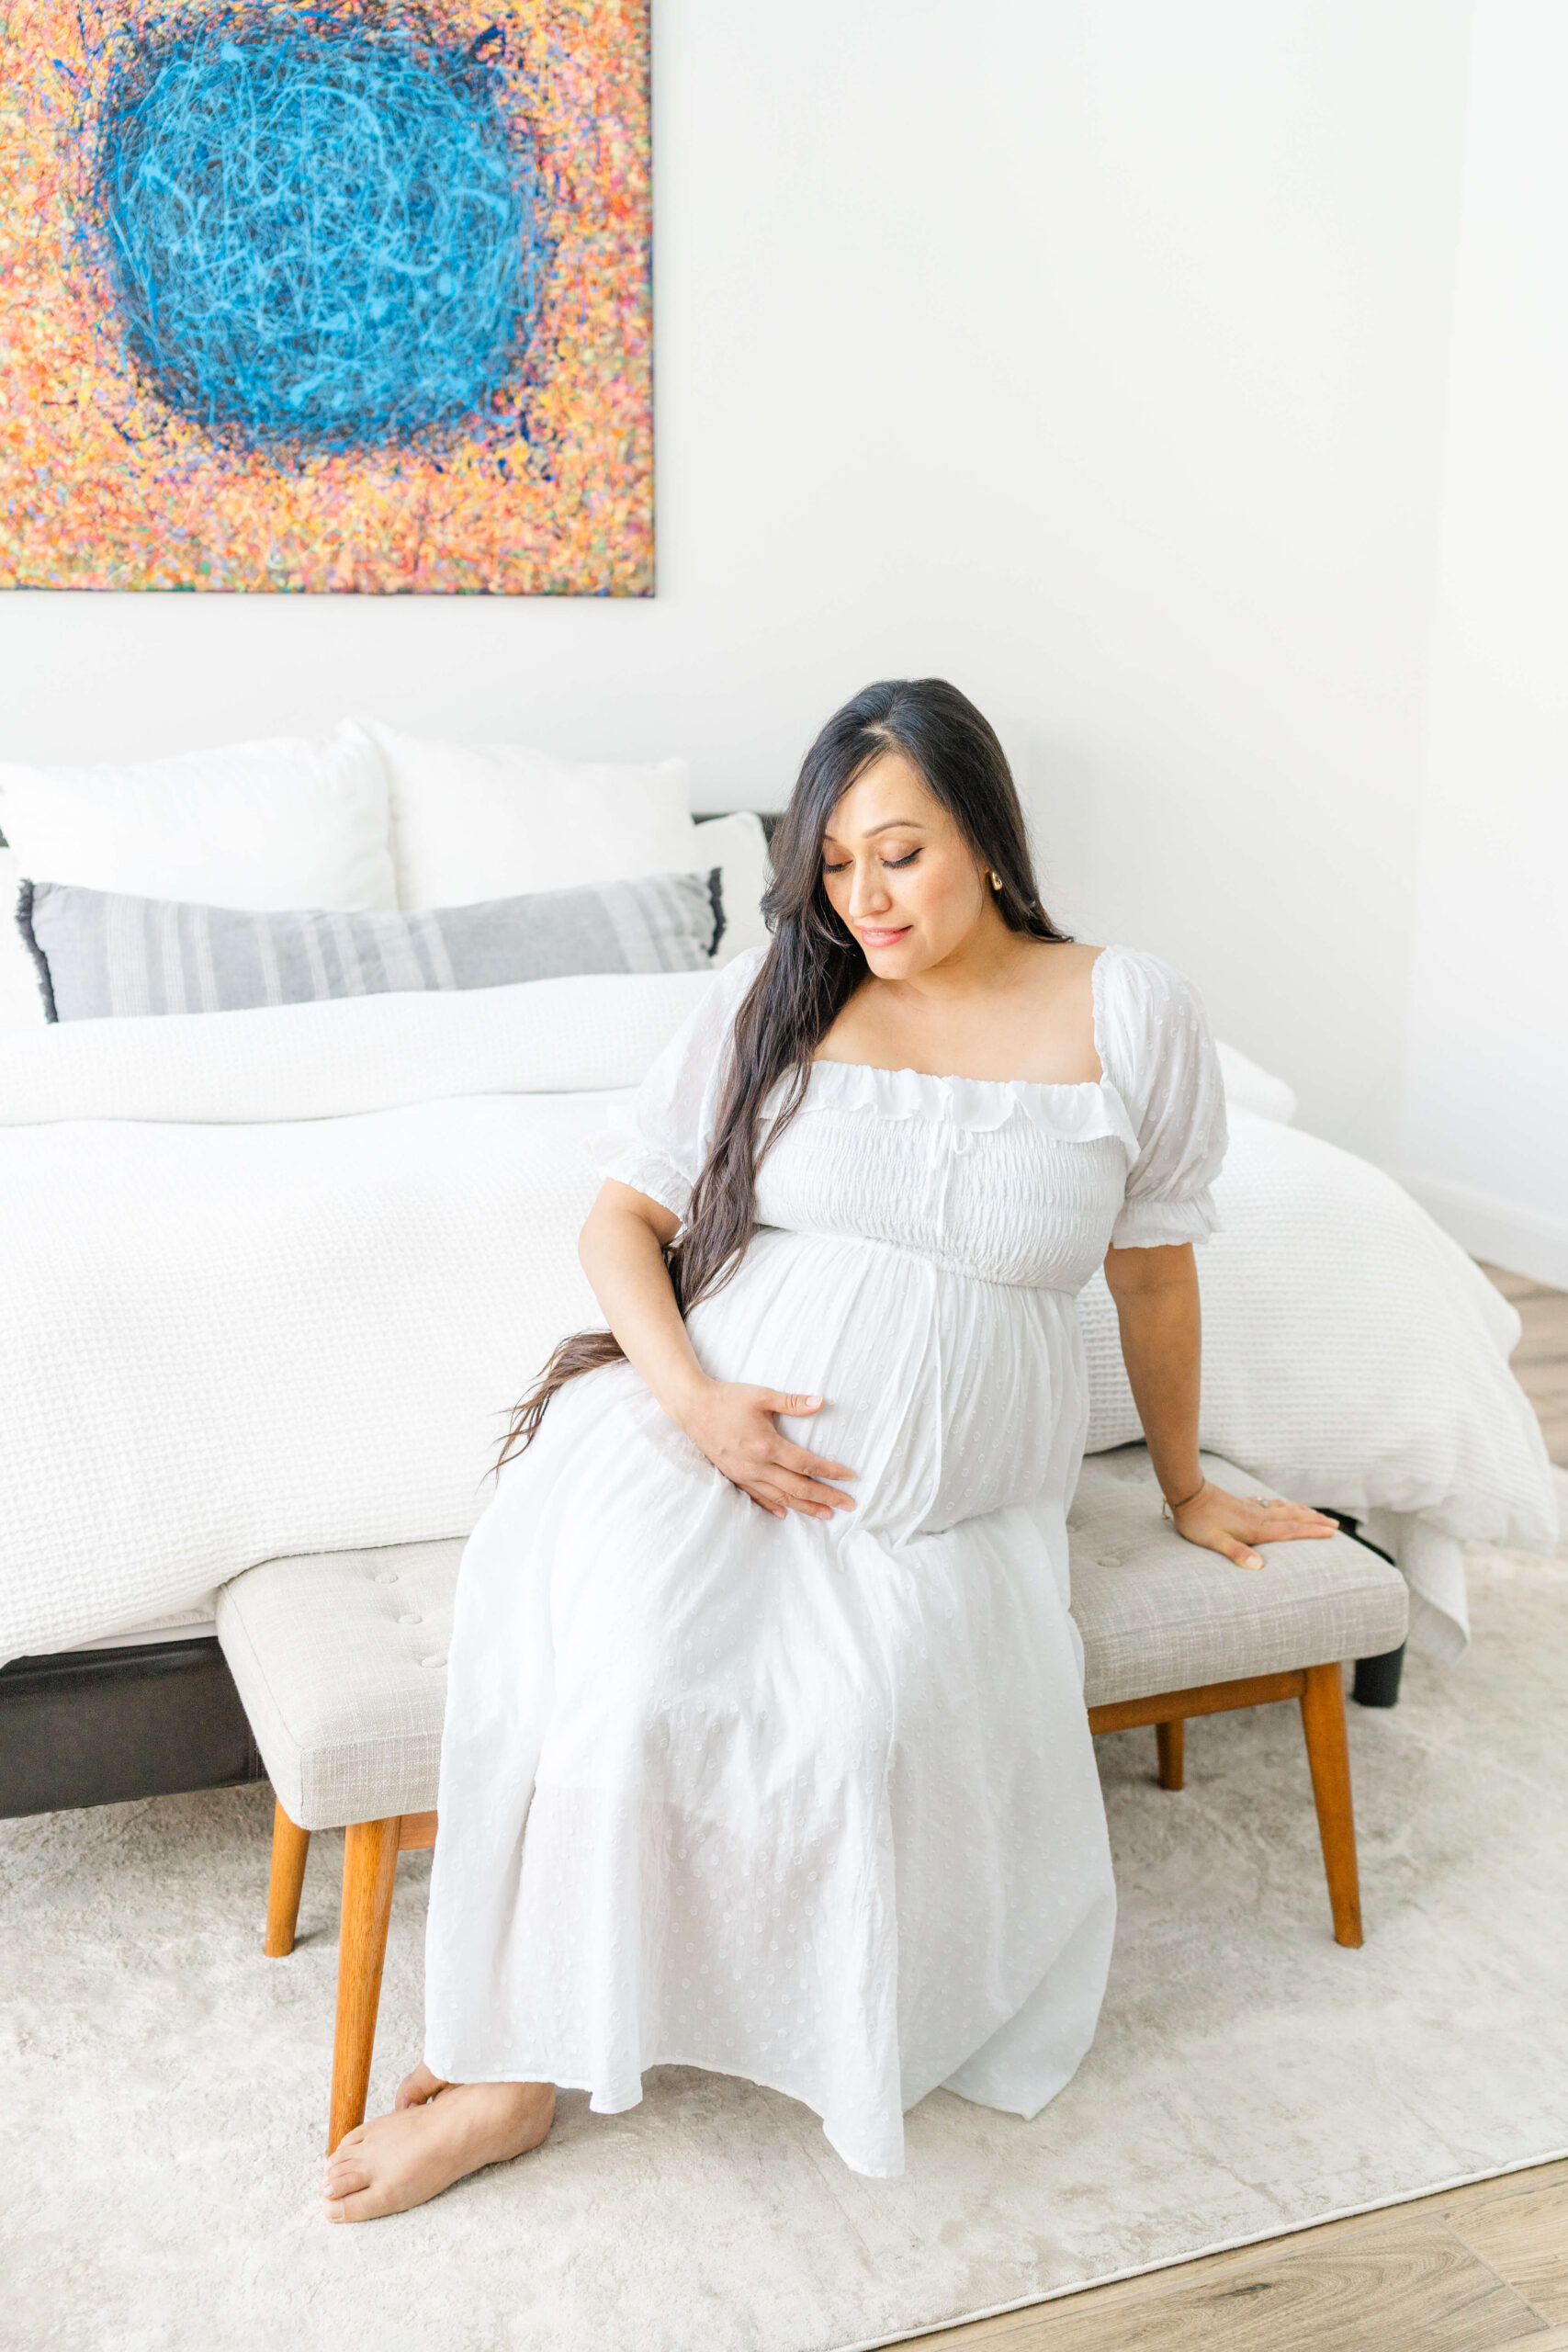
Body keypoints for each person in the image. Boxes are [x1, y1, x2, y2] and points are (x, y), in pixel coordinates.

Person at [323, 677, 1336, 2222]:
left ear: (989, 839)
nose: (863, 898)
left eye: (902, 854)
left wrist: (1187, 1486)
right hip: (701, 1433)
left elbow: (1150, 1269)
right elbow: (621, 1220)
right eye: (834, 865)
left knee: (855, 1728)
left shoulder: (1128, 1010)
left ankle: (792, 2017)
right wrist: (699, 1409)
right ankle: (515, 2069)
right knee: (635, 1677)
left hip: (936, 1506)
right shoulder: (784, 991)